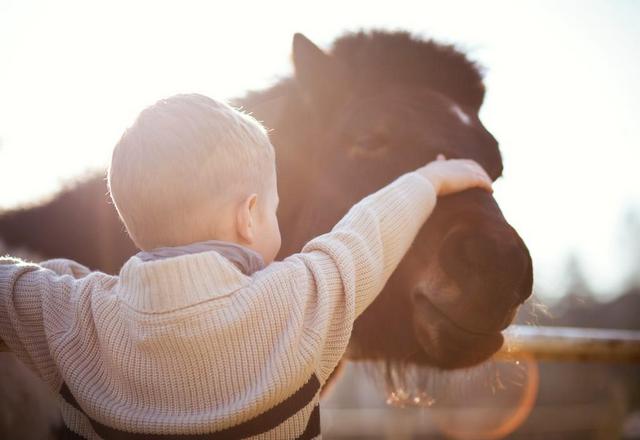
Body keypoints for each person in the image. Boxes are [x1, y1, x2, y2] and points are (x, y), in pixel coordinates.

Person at [0, 94, 493, 439]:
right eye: (274, 209)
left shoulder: (71, 315)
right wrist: (430, 179)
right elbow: (367, 233)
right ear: (249, 214)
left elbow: (10, 284)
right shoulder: (296, 303)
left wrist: (66, 279)